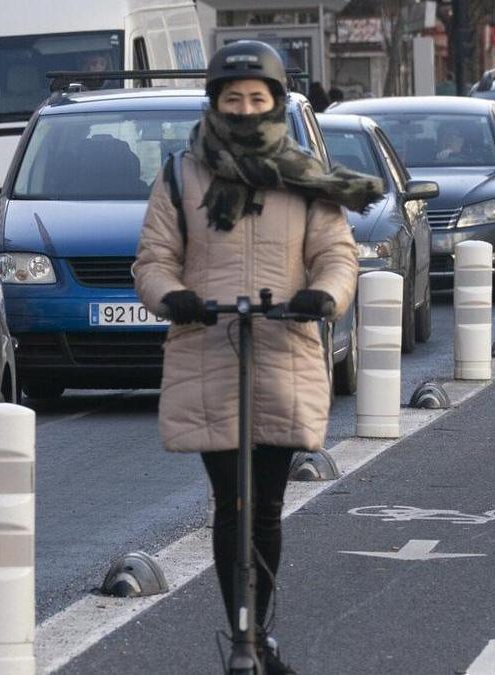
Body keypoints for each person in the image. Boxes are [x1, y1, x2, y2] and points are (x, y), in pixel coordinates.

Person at [132, 40, 382, 675]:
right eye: (232, 100)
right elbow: (154, 259)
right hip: (209, 348)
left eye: (257, 99)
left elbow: (336, 253)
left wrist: (323, 296)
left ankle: (259, 631)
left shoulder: (303, 176)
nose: (245, 110)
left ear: (276, 103)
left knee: (266, 502)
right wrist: (176, 297)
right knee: (231, 501)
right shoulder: (180, 175)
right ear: (215, 103)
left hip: (280, 351)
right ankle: (238, 632)